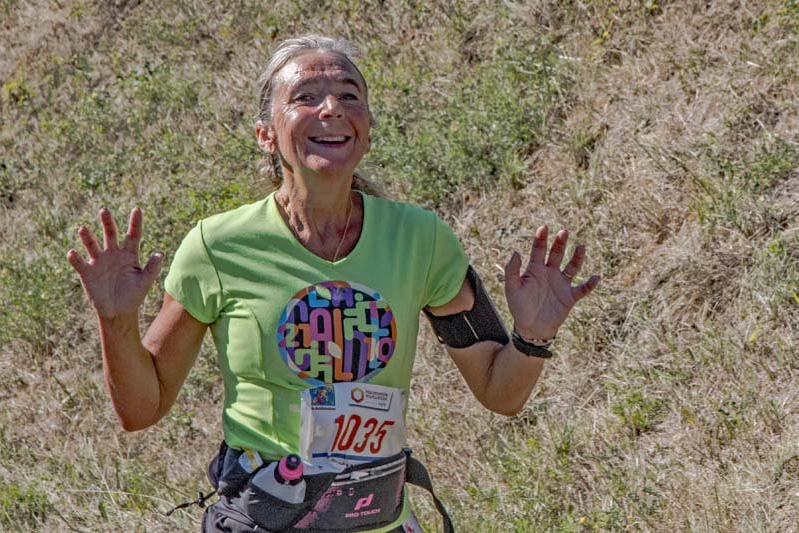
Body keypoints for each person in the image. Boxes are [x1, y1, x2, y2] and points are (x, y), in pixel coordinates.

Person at [67, 34, 599, 532]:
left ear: (366, 128)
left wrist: (533, 336)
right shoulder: (218, 248)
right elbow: (142, 408)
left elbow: (500, 393)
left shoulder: (420, 240)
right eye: (305, 97)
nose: (331, 108)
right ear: (265, 135)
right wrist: (115, 320)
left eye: (349, 95)